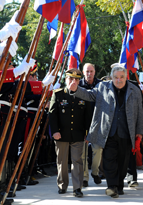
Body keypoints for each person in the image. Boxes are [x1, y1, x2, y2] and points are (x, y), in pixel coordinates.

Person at [69, 64, 143, 198]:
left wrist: (139, 131)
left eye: (121, 77)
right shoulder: (103, 87)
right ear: (112, 77)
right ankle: (111, 186)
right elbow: (89, 95)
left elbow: (139, 112)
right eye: (116, 77)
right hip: (108, 131)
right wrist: (76, 90)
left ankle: (119, 185)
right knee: (109, 160)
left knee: (123, 161)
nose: (119, 80)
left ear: (126, 77)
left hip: (127, 133)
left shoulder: (135, 90)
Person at [49, 68, 92, 198]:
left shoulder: (84, 94)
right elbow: (52, 115)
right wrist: (55, 131)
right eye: (71, 78)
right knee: (61, 161)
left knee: (77, 161)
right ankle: (62, 185)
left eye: (76, 79)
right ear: (65, 79)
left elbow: (88, 116)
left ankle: (77, 188)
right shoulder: (58, 94)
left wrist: (87, 133)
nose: (73, 81)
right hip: (61, 134)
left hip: (78, 134)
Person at [78, 63, 103, 187]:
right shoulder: (78, 85)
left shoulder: (101, 85)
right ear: (83, 72)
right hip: (82, 123)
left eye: (91, 71)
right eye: (87, 71)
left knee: (97, 150)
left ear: (94, 72)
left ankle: (95, 172)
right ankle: (84, 178)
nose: (89, 74)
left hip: (97, 123)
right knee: (83, 153)